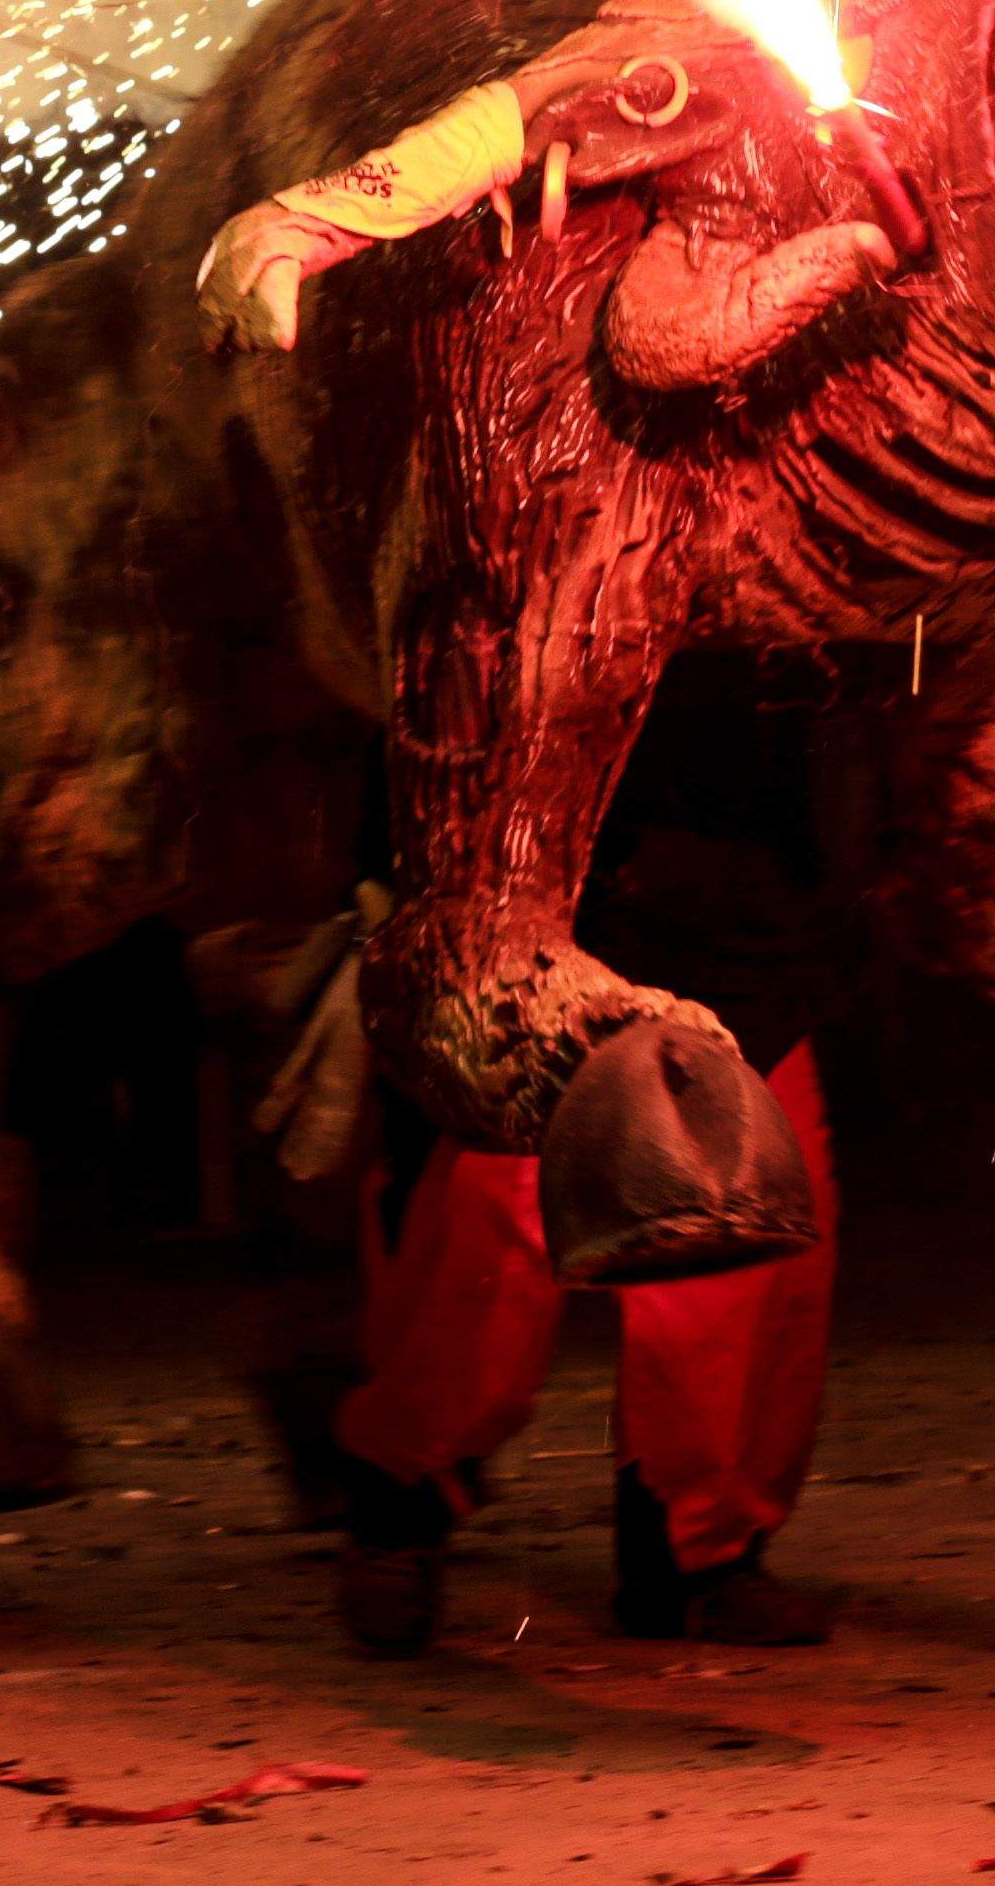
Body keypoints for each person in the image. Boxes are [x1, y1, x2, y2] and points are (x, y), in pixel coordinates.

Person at [323, 678, 846, 1656]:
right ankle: (399, 1509)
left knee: (745, 1243)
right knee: (479, 1247)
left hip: (736, 897)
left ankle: (697, 1561)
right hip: (518, 889)